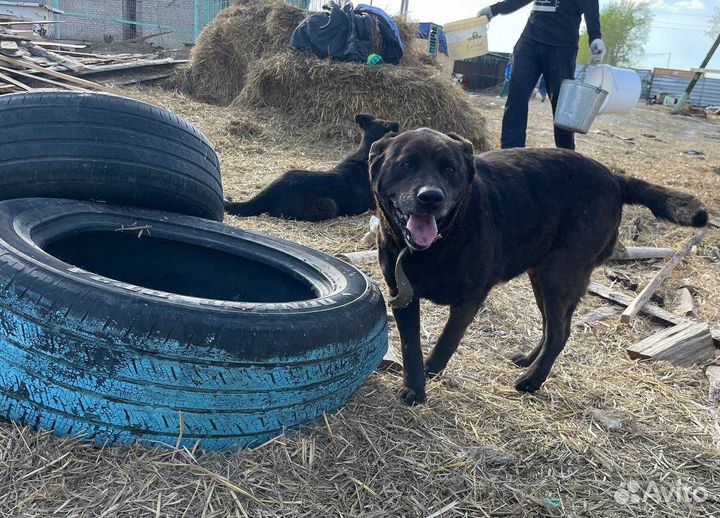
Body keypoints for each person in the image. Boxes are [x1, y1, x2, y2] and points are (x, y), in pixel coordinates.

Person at [478, 0, 606, 150]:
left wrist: (595, 36)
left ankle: (566, 155)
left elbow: (590, 6)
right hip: (530, 40)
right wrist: (494, 9)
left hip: (562, 47)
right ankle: (511, 150)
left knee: (561, 104)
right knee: (517, 95)